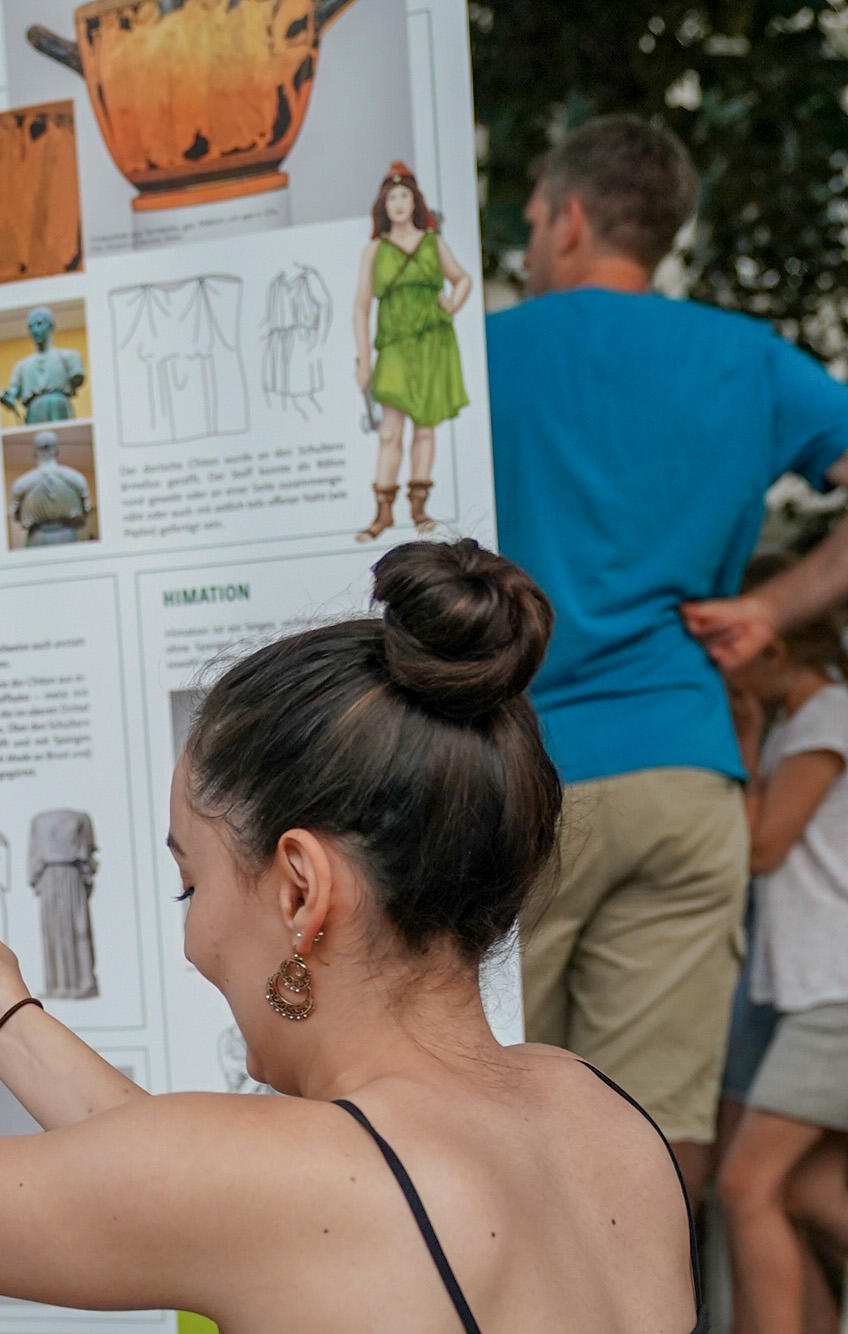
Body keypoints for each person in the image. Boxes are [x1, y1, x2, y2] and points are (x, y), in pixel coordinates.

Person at [0, 539, 707, 1332]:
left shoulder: (301, 1180)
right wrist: (13, 1026)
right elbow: (204, 1187)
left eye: (187, 884)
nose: (189, 945)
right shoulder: (597, 1114)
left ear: (298, 887)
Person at [490, 114, 848, 1199]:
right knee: (652, 1122)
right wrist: (769, 604)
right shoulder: (745, 359)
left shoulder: (481, 357)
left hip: (520, 776)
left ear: (571, 217)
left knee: (492, 1107)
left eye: (535, 217)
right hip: (684, 771)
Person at [715, 553, 848, 1334]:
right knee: (803, 1191)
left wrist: (746, 731)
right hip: (807, 988)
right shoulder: (802, 719)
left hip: (834, 989)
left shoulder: (826, 713)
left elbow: (761, 848)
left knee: (743, 1186)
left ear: (775, 646)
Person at [352, 161, 470, 541]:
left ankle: (419, 507)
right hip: (396, 345)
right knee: (390, 432)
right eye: (392, 197)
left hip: (432, 342)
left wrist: (454, 302)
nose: (399, 203)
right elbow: (361, 305)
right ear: (383, 206)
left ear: (414, 201)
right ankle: (382, 511)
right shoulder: (375, 250)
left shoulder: (434, 243)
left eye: (405, 196)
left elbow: (462, 278)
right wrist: (364, 359)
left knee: (425, 427)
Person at [0, 306, 85, 425]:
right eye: (31, 327)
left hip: (60, 407)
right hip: (34, 411)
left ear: (51, 326)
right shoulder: (22, 366)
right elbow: (12, 392)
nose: (35, 330)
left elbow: (77, 377)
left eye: (39, 324)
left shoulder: (69, 356)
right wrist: (6, 397)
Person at [8, 429, 92, 546]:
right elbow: (86, 509)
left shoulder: (21, 484)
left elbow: (15, 515)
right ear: (57, 451)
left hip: (37, 537)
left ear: (34, 452)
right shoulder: (77, 478)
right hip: (67, 535)